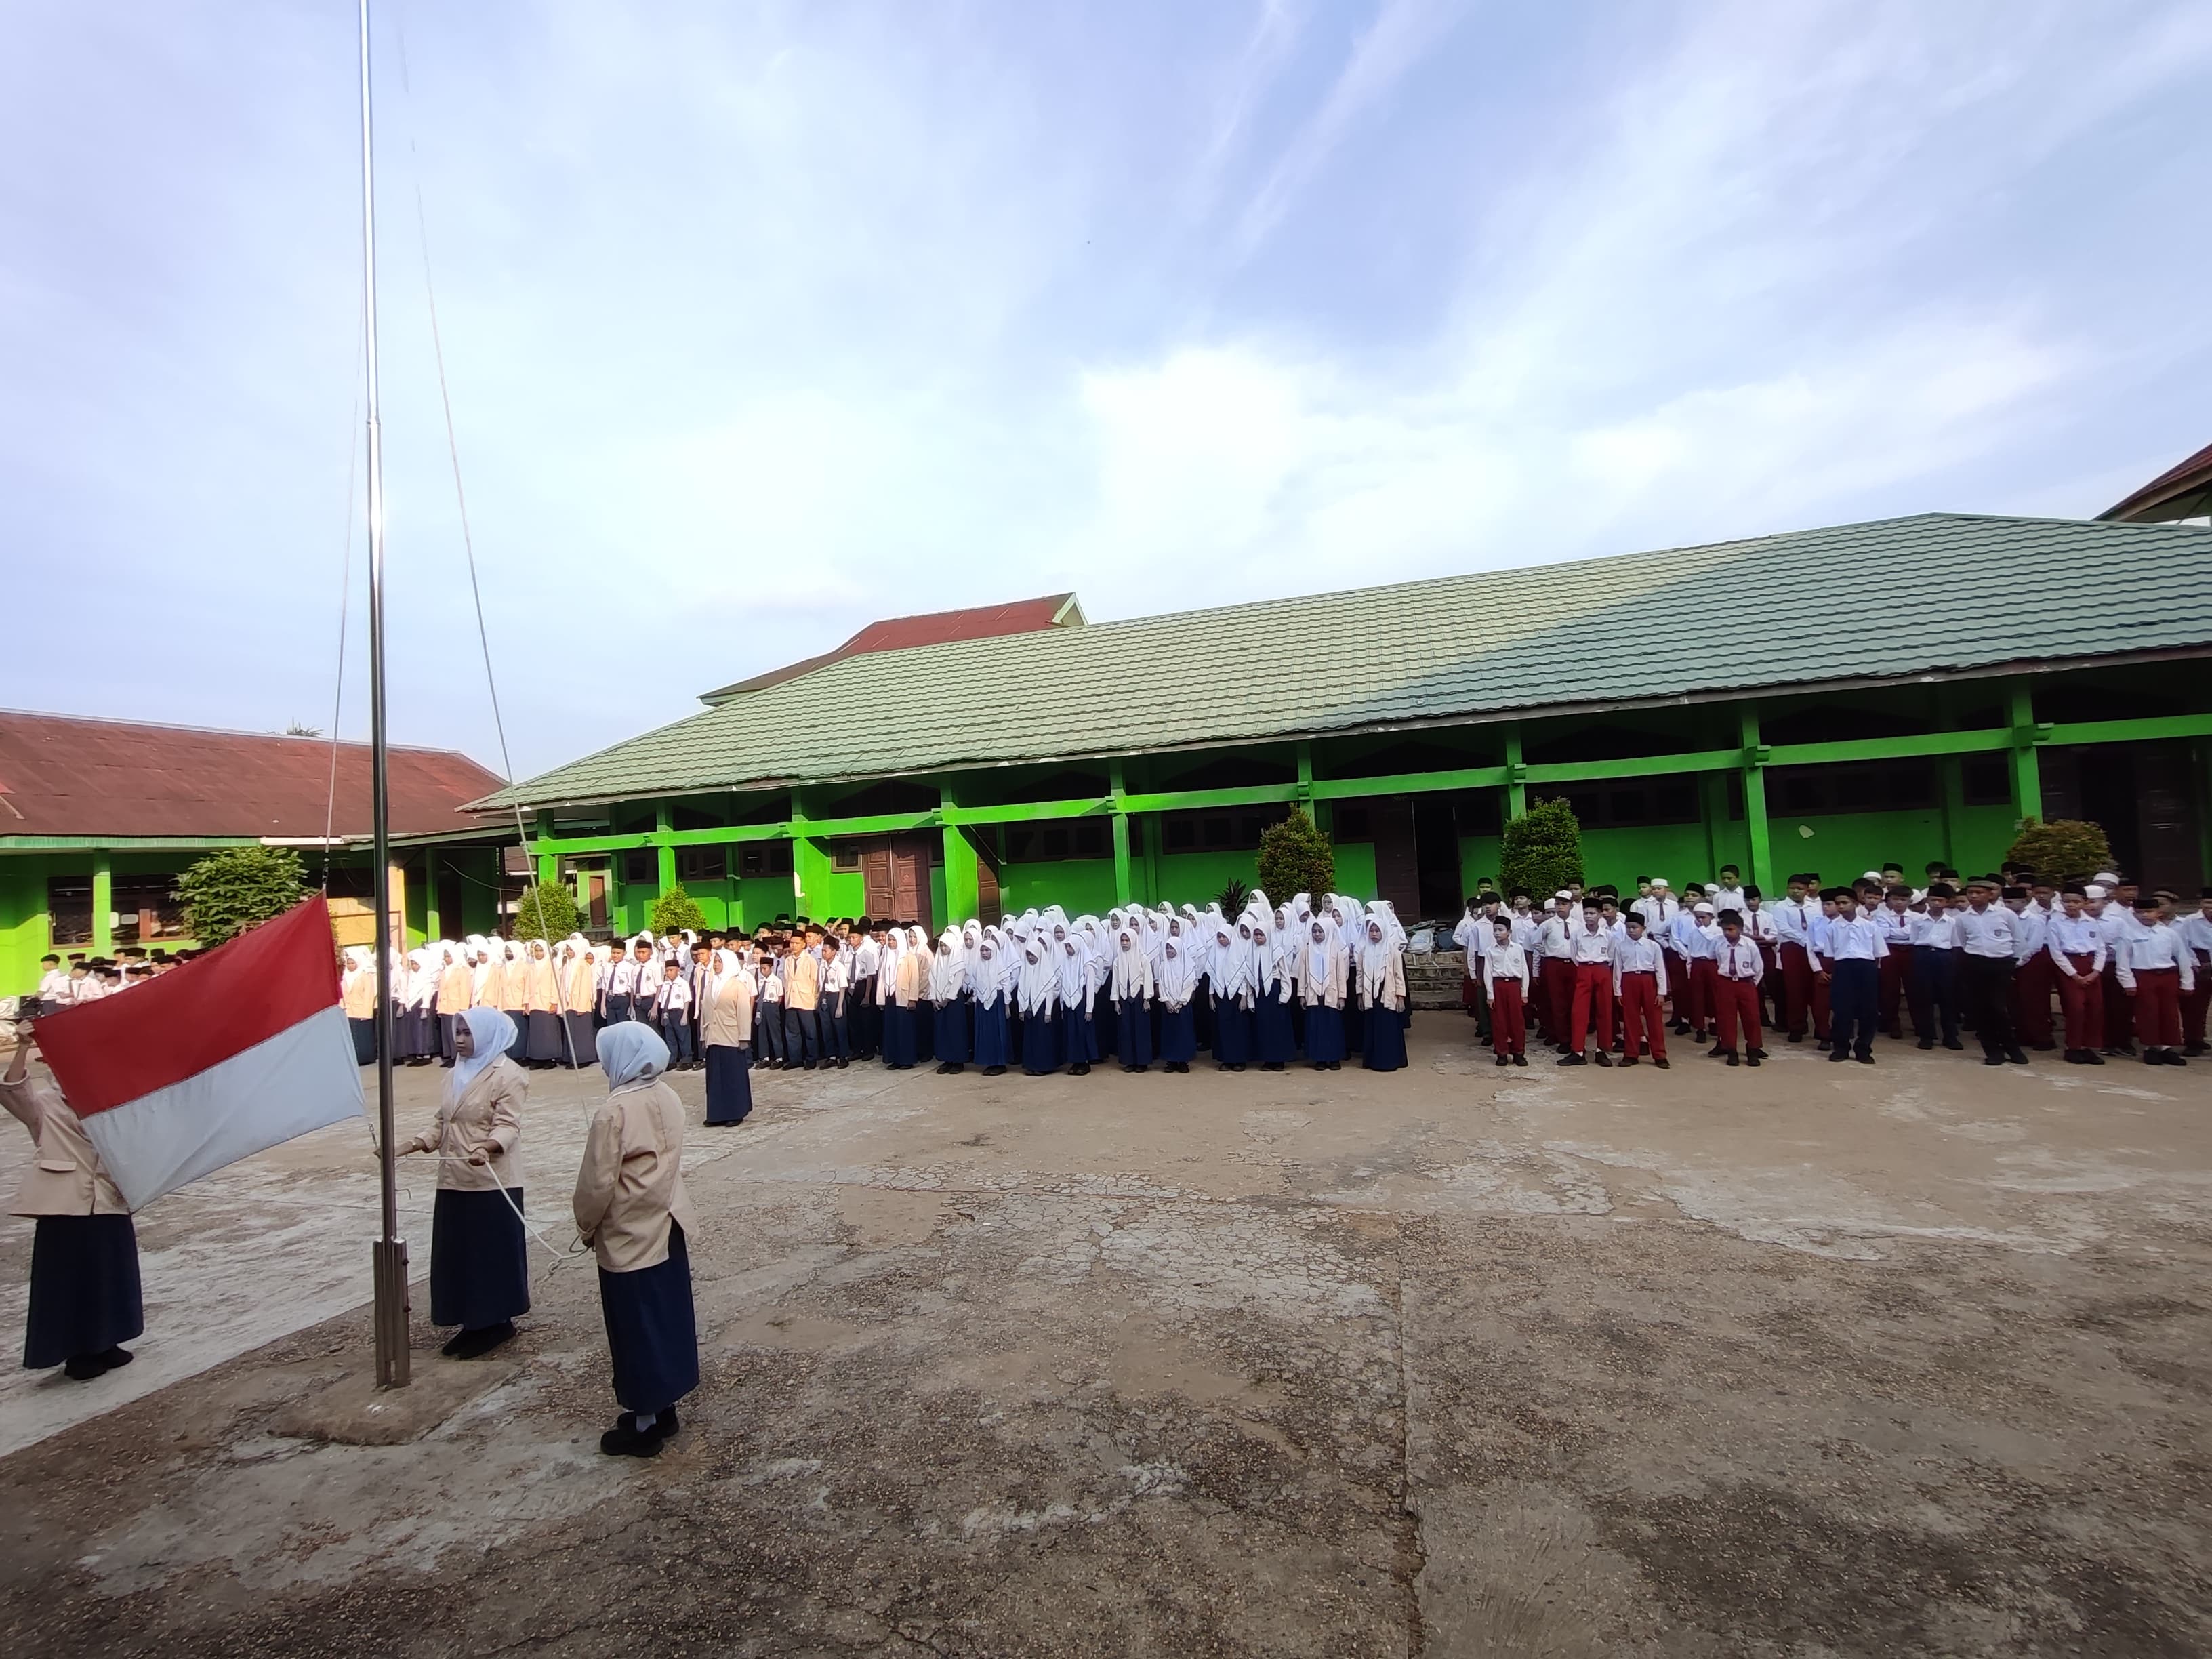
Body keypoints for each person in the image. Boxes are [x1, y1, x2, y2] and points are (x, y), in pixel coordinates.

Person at [575, 1024, 699, 1458]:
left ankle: (646, 1422)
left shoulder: (614, 1112)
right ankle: (664, 1404)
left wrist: (586, 1226)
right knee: (665, 1317)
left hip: (630, 1230)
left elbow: (597, 1183)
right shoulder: (666, 1095)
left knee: (635, 1325)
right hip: (667, 1220)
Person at [4, 1019, 142, 1381]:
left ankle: (107, 1341)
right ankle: (76, 1353)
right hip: (64, 1203)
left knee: (111, 1275)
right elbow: (12, 1090)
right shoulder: (46, 1106)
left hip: (109, 1198)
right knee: (68, 1281)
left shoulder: (111, 1101)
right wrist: (22, 1046)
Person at [400, 1005, 529, 1359]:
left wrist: (488, 1147)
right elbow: (443, 1121)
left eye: (467, 1033)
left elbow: (508, 1124)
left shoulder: (509, 1075)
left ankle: (495, 1322)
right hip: (454, 1177)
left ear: (487, 1035)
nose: (459, 1040)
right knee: (459, 1253)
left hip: (490, 1179)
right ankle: (469, 1322)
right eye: (457, 1032)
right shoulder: (454, 1073)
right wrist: (414, 1144)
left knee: (488, 1254)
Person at [1956, 876, 2027, 1067]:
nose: (1974, 896)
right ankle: (1993, 1051)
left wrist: (2013, 962)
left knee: (1999, 1007)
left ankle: (2012, 1048)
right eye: (1970, 893)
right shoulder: (1962, 918)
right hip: (1975, 963)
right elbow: (1963, 942)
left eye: (1979, 893)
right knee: (1980, 1009)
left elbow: (2018, 940)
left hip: (2001, 964)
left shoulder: (2005, 914)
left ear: (1990, 894)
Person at [2115, 895, 2193, 1067]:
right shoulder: (2129, 935)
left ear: (2158, 913)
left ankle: (2167, 1048)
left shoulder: (2169, 933)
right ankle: (2151, 1048)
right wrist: (2128, 982)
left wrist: (2187, 982)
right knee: (2148, 1013)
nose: (2144, 915)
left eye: (2149, 911)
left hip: (2168, 976)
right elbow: (2123, 961)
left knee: (2169, 1012)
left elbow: (2182, 957)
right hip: (2144, 976)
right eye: (2140, 912)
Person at [1815, 889, 1887, 1065]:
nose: (1840, 906)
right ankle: (1841, 1048)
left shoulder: (1870, 925)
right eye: (1838, 903)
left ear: (1855, 904)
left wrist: (1872, 971)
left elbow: (1878, 952)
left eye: (1845, 903)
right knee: (1841, 1009)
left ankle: (1863, 1049)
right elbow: (1831, 953)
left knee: (1868, 1010)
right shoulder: (1832, 927)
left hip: (1866, 967)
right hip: (1843, 967)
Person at [2046, 885, 2107, 1065]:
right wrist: (2074, 975)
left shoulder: (2091, 922)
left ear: (2084, 903)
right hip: (2069, 966)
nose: (2071, 905)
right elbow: (2056, 952)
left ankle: (2090, 1047)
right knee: (2076, 1008)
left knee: (2095, 1007)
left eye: (2076, 902)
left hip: (2091, 965)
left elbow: (2101, 948)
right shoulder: (2055, 922)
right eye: (2067, 901)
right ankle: (2073, 1047)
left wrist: (2096, 971)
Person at [1906, 883, 1964, 1050]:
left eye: (1941, 901)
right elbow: (1913, 940)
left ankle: (1950, 1036)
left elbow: (1955, 944)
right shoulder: (1918, 921)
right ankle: (1927, 1036)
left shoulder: (1952, 922)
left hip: (1944, 956)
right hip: (1922, 954)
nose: (1937, 904)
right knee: (1924, 997)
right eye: (1933, 900)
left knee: (1947, 998)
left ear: (1947, 902)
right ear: (1927, 901)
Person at [701, 948, 755, 1126]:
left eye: (719, 961)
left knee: (733, 1076)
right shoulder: (710, 985)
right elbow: (705, 1012)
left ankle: (735, 1112)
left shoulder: (738, 986)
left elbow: (744, 1012)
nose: (716, 965)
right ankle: (716, 1114)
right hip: (713, 1036)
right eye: (715, 961)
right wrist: (703, 1035)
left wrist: (744, 1037)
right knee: (715, 1078)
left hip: (731, 1036)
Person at [1710, 911, 1768, 1066]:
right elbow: (1715, 960)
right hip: (1726, 983)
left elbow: (1758, 967)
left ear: (1740, 929)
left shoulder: (1749, 945)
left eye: (1731, 930)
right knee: (1726, 1018)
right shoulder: (1719, 944)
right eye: (1725, 930)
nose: (1727, 933)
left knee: (1752, 1018)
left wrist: (1751, 984)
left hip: (1745, 983)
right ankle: (1731, 1051)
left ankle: (1753, 1050)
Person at [1560, 906, 1616, 1067]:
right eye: (1586, 913)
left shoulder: (1608, 935)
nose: (1588, 917)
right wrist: (1585, 966)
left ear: (1600, 915)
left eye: (1592, 913)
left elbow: (1611, 955)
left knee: (1604, 1010)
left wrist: (1600, 966)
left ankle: (1602, 1051)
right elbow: (1573, 954)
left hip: (1602, 968)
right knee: (1579, 1011)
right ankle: (1577, 1051)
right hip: (1583, 969)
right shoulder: (1577, 934)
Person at [1612, 911, 1669, 1067]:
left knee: (1654, 1019)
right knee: (1630, 1019)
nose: (1631, 931)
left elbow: (1660, 969)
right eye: (1628, 927)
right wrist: (1618, 991)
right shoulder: (1621, 946)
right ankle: (1631, 1054)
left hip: (1648, 980)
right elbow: (1618, 969)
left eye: (1634, 927)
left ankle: (1659, 1055)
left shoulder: (1653, 946)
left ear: (1643, 928)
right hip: (1629, 980)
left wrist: (1661, 992)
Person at [1478, 918, 1530, 1067]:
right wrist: (1490, 995)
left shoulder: (1518, 949)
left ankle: (1519, 1053)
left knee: (1517, 1021)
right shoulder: (1490, 951)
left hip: (1514, 986)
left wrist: (1524, 992)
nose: (1497, 933)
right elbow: (1488, 973)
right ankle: (1502, 1053)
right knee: (1499, 1021)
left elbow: (1524, 971)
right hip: (1498, 986)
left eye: (1501, 930)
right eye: (1495, 930)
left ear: (1509, 932)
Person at [1357, 918, 1408, 1071]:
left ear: (1383, 932)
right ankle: (1372, 1061)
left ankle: (1390, 1061)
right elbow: (1360, 975)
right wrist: (1359, 994)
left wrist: (1400, 997)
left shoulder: (1393, 951)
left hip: (1387, 993)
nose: (1374, 934)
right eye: (1371, 931)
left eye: (1377, 931)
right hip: (1369, 995)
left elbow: (1399, 975)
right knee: (1372, 1028)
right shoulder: (1364, 951)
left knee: (1388, 1028)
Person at [1300, 917, 1348, 1071]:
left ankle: (1334, 1058)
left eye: (1320, 931)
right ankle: (1319, 1058)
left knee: (1332, 1027)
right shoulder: (1307, 951)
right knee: (1316, 1028)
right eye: (1314, 931)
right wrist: (1302, 994)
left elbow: (1341, 975)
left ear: (1327, 932)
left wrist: (1342, 996)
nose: (1317, 934)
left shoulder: (1335, 951)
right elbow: (1303, 974)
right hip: (1314, 995)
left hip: (1331, 995)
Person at [930, 927, 971, 1075]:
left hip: (953, 1002)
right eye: (941, 945)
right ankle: (946, 1060)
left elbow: (957, 983)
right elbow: (932, 980)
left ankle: (958, 1061)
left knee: (955, 1031)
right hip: (939, 1002)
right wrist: (933, 999)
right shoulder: (937, 962)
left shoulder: (958, 963)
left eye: (945, 946)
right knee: (942, 1031)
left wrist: (947, 999)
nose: (943, 948)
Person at [2176, 888, 2212, 1057]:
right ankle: (2193, 1041)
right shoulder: (2189, 921)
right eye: (2208, 903)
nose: (2211, 907)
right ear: (2201, 904)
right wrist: (2197, 964)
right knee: (2195, 1007)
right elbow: (2183, 945)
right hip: (2200, 965)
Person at [560, 941, 600, 1069]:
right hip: (569, 1002)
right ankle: (570, 1058)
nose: (569, 952)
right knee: (571, 1031)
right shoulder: (567, 964)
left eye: (571, 950)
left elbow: (585, 987)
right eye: (567, 950)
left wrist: (582, 1006)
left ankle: (583, 1058)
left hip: (580, 1004)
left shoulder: (584, 965)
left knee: (581, 1033)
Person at [649, 959, 694, 1069]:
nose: (669, 973)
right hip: (668, 1012)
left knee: (683, 1037)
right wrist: (664, 1014)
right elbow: (663, 1000)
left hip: (679, 1012)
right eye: (667, 971)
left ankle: (686, 1060)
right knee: (670, 1038)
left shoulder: (683, 984)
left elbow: (686, 1000)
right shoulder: (665, 985)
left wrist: (685, 1015)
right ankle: (672, 1060)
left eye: (671, 970)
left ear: (678, 970)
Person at [819, 936, 851, 1068]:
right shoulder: (822, 965)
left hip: (836, 997)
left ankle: (844, 1056)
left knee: (840, 1028)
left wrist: (839, 1007)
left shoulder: (839, 967)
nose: (824, 953)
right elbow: (820, 983)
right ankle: (831, 1056)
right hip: (825, 997)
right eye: (823, 950)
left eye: (826, 951)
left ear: (833, 952)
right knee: (827, 1029)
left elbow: (843, 987)